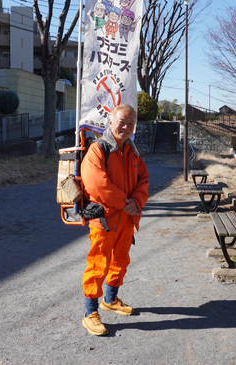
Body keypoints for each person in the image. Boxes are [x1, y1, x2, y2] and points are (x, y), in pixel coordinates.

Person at [80, 104, 150, 336]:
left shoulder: (132, 151)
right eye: (122, 121)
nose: (126, 126)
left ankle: (110, 299)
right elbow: (96, 183)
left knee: (120, 260)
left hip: (127, 218)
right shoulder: (98, 149)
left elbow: (144, 179)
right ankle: (90, 312)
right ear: (111, 122)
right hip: (105, 219)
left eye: (131, 123)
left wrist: (137, 202)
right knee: (98, 264)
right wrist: (126, 203)